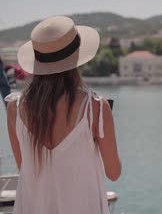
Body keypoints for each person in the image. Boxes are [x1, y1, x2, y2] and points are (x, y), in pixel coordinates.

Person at [6, 16, 121, 214]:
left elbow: (25, 168)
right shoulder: (95, 107)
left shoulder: (15, 108)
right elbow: (113, 172)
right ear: (76, 58)